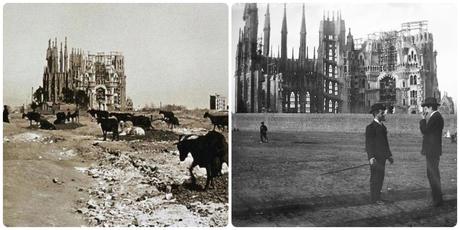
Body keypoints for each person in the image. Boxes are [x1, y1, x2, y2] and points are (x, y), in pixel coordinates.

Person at [365, 103, 394, 204]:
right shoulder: (370, 128)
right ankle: (374, 199)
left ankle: (378, 197)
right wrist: (371, 157)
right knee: (375, 178)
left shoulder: (383, 127)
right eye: (382, 113)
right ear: (377, 114)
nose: (384, 115)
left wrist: (389, 155)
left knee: (380, 177)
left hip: (382, 158)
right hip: (375, 159)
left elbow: (385, 143)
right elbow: (368, 144)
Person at [419, 97, 444, 207]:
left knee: (433, 174)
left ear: (429, 107)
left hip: (432, 151)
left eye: (425, 108)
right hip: (433, 150)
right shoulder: (436, 117)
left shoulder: (436, 117)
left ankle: (437, 199)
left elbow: (425, 131)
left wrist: (423, 120)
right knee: (432, 174)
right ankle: (437, 198)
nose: (424, 110)